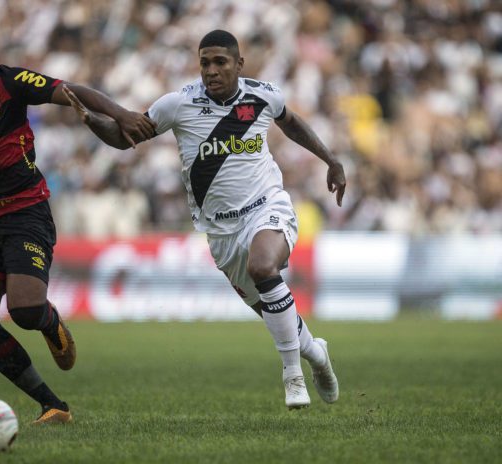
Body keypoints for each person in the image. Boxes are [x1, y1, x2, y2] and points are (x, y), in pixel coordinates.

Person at [64, 30, 346, 409]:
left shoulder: (262, 94)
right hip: (221, 232)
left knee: (265, 267)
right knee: (273, 309)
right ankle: (317, 355)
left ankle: (293, 377)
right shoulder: (176, 105)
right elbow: (124, 136)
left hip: (267, 207)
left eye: (220, 62)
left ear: (239, 64)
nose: (211, 71)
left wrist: (330, 159)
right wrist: (90, 119)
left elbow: (290, 121)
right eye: (205, 63)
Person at [0, 15, 155, 424]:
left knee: (25, 310)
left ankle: (49, 323)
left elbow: (69, 90)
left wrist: (121, 113)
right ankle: (52, 404)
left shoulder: (8, 83)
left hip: (24, 209)